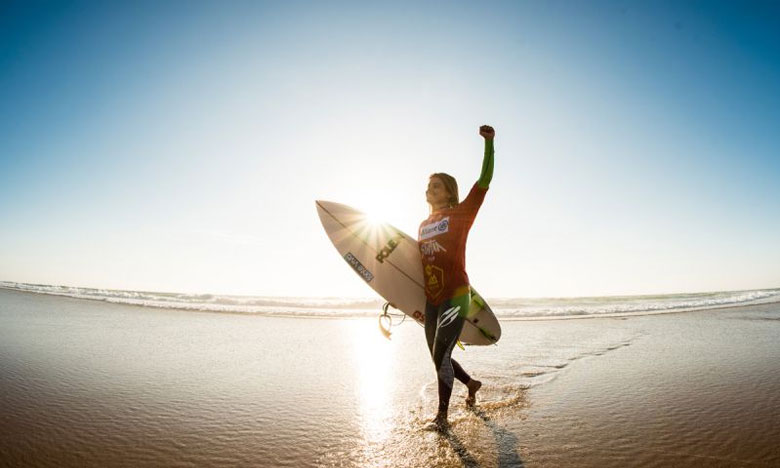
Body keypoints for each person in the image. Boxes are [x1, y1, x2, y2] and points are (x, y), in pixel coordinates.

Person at [419, 124, 494, 430]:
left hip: (455, 295)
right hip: (432, 299)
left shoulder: (461, 214)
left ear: (449, 191)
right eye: (428, 185)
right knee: (440, 358)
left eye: (436, 185)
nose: (429, 189)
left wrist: (489, 144)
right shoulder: (423, 224)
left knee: (440, 354)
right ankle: (471, 384)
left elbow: (484, 181)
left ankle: (442, 418)